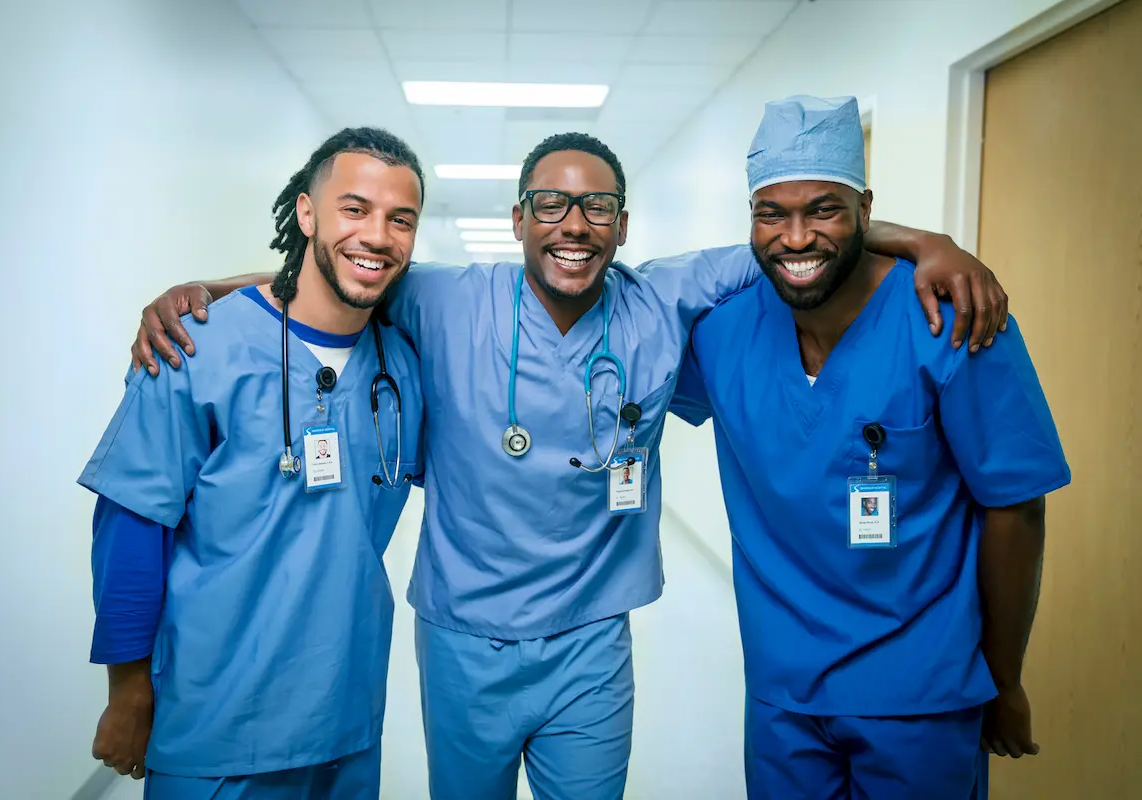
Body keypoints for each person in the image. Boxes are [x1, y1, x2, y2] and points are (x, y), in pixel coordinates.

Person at [125, 130, 1008, 799]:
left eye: (597, 208)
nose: (574, 225)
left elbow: (800, 238)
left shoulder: (664, 297)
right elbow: (336, 276)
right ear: (518, 220)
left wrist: (928, 242)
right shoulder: (445, 300)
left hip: (593, 643)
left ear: (624, 223)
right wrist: (204, 290)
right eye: (549, 203)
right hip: (464, 640)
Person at [669, 95, 1071, 799]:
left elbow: (1017, 509)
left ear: (865, 209)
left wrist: (1004, 679)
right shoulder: (722, 331)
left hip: (923, 692)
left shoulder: (956, 320)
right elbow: (615, 302)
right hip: (782, 692)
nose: (795, 238)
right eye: (772, 212)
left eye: (824, 208)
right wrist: (917, 237)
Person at [80, 127, 426, 798]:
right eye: (354, 208)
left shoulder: (403, 364)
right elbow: (130, 527)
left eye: (400, 219)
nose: (378, 235)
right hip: (217, 726)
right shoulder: (196, 347)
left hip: (347, 719)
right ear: (306, 213)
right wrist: (128, 694)